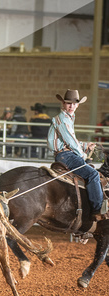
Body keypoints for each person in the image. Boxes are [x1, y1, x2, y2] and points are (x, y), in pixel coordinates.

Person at [47, 89, 103, 221]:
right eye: (68, 103)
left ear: (77, 105)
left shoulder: (67, 118)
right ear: (63, 104)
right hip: (66, 156)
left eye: (74, 104)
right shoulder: (62, 119)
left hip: (66, 154)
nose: (71, 106)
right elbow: (70, 141)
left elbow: (70, 140)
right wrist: (83, 154)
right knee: (93, 174)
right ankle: (98, 209)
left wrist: (85, 145)